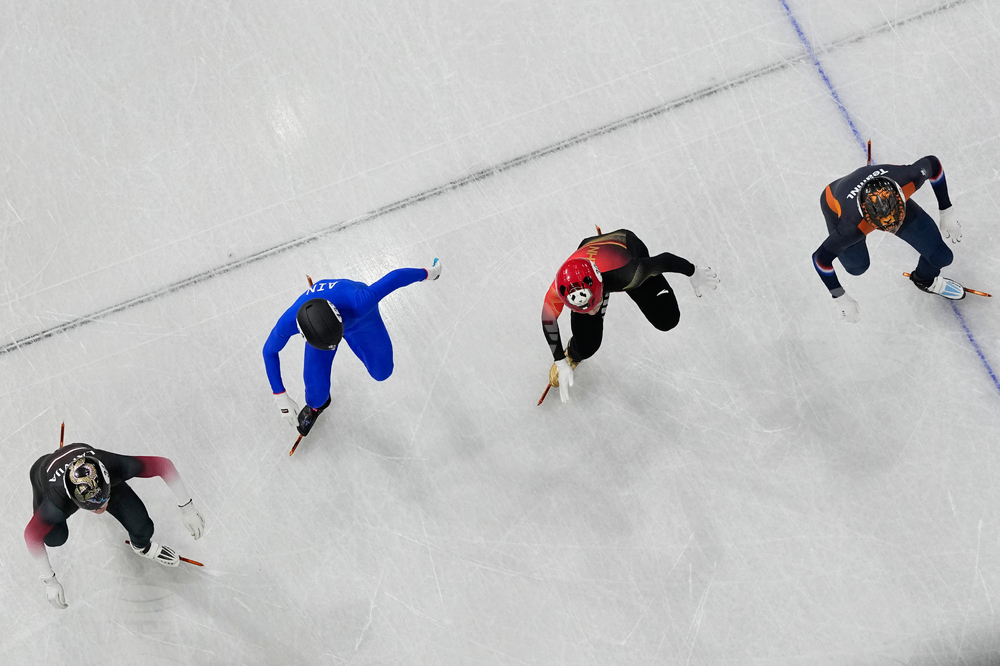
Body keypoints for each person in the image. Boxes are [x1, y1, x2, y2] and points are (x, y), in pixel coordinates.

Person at [264, 259, 442, 435]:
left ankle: (346, 334)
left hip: (362, 321)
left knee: (382, 372)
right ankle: (318, 406)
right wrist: (280, 395)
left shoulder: (360, 302)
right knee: (316, 398)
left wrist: (430, 272)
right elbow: (269, 351)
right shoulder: (288, 322)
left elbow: (396, 277)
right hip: (325, 328)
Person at [541, 229, 718, 403]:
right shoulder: (558, 290)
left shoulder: (630, 272)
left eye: (594, 304)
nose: (590, 311)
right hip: (588, 250)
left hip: (625, 247)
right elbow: (548, 319)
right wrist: (561, 361)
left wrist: (694, 272)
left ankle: (601, 294)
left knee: (667, 319)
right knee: (587, 346)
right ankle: (574, 352)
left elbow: (665, 260)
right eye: (583, 309)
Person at [24, 442, 205, 609]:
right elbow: (31, 536)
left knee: (143, 528)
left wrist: (188, 508)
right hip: (42, 472)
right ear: (73, 501)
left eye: (105, 500)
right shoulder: (56, 504)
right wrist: (49, 580)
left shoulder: (114, 465)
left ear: (107, 479)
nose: (102, 508)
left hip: (92, 467)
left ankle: (141, 547)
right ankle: (55, 468)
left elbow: (164, 466)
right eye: (94, 507)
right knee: (55, 538)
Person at [812, 155, 964, 322]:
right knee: (857, 267)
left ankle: (924, 279)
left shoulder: (908, 176)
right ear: (867, 216)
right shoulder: (851, 226)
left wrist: (946, 211)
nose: (892, 227)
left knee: (941, 256)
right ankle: (886, 216)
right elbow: (820, 259)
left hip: (881, 199)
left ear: (899, 197)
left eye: (895, 220)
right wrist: (839, 296)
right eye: (884, 225)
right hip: (833, 199)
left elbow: (933, 163)